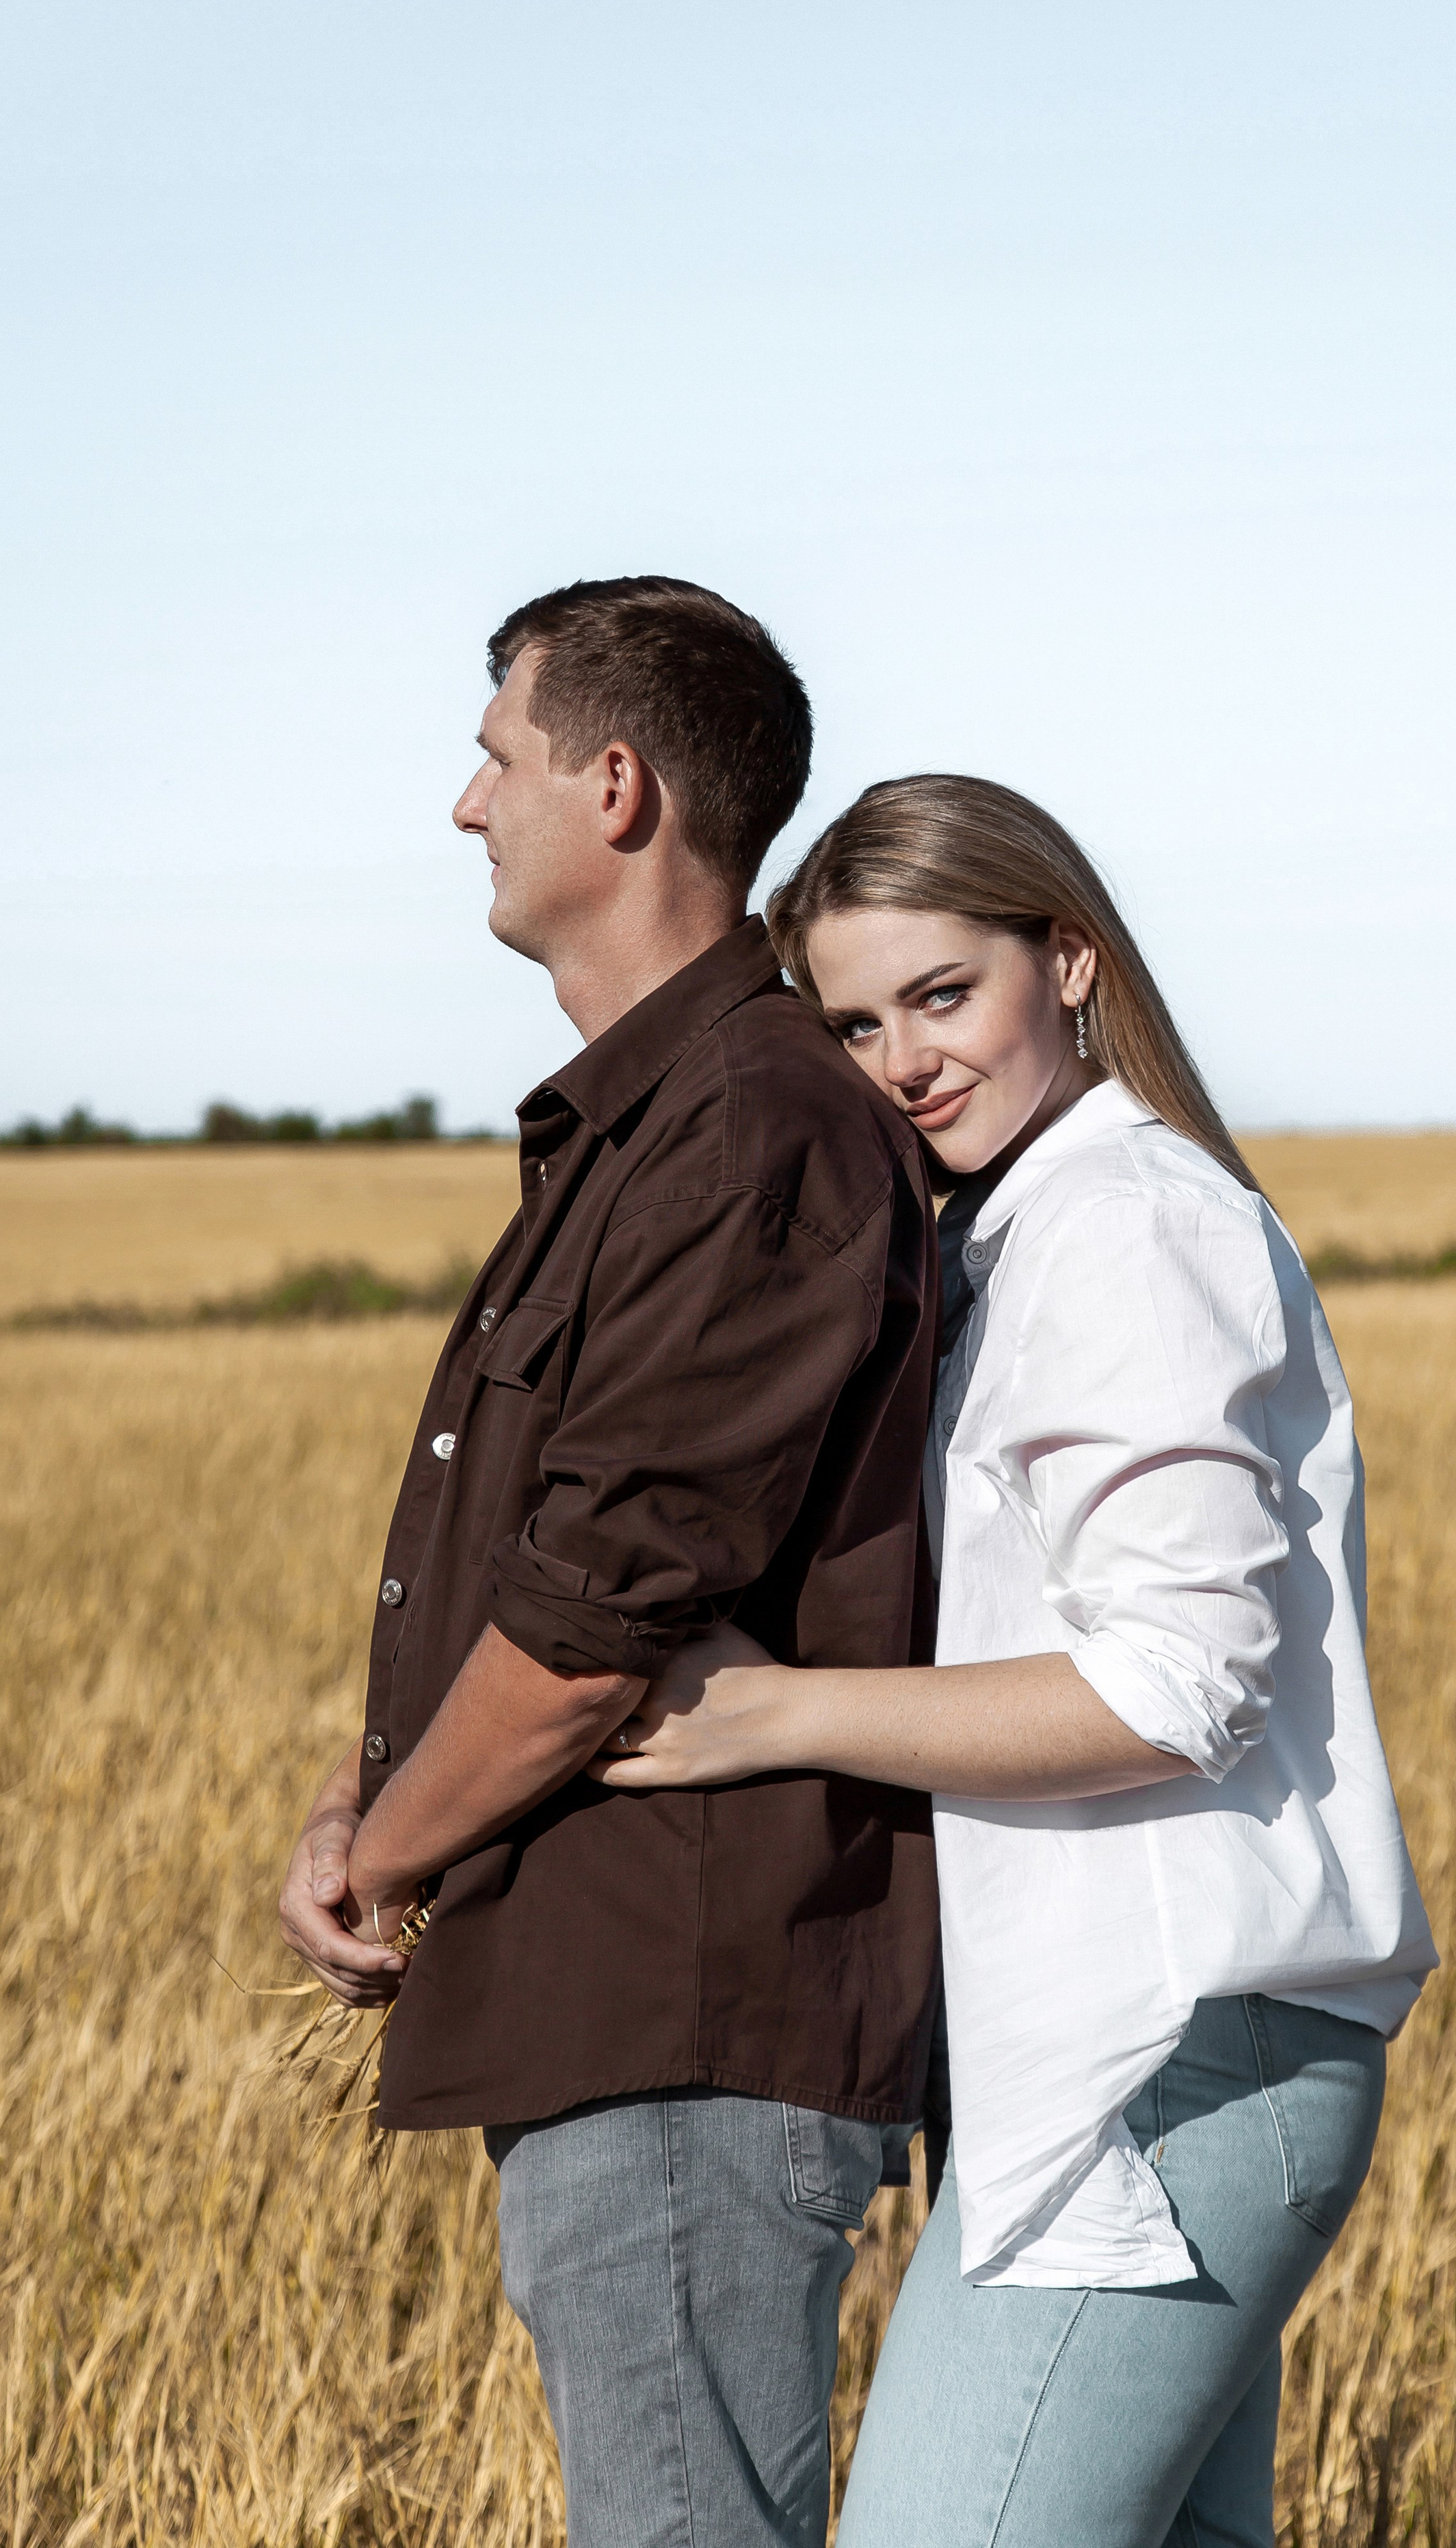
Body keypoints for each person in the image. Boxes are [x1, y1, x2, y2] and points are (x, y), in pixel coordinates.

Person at [594, 774, 1439, 2548]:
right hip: (1169, 2057)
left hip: (1178, 2056)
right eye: (852, 1020)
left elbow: (1178, 1683)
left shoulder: (1123, 1220)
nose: (901, 1056)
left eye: (941, 994)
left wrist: (774, 1715)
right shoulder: (1037, 1219)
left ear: (1066, 962)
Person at [276, 581, 942, 2548]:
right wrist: (365, 1792)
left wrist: (377, 1862)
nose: (468, 805)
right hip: (630, 2013)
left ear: (621, 785)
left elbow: (591, 1630)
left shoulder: (747, 1129)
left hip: (685, 2022)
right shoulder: (652, 1126)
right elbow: (548, 1574)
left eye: (499, 754)